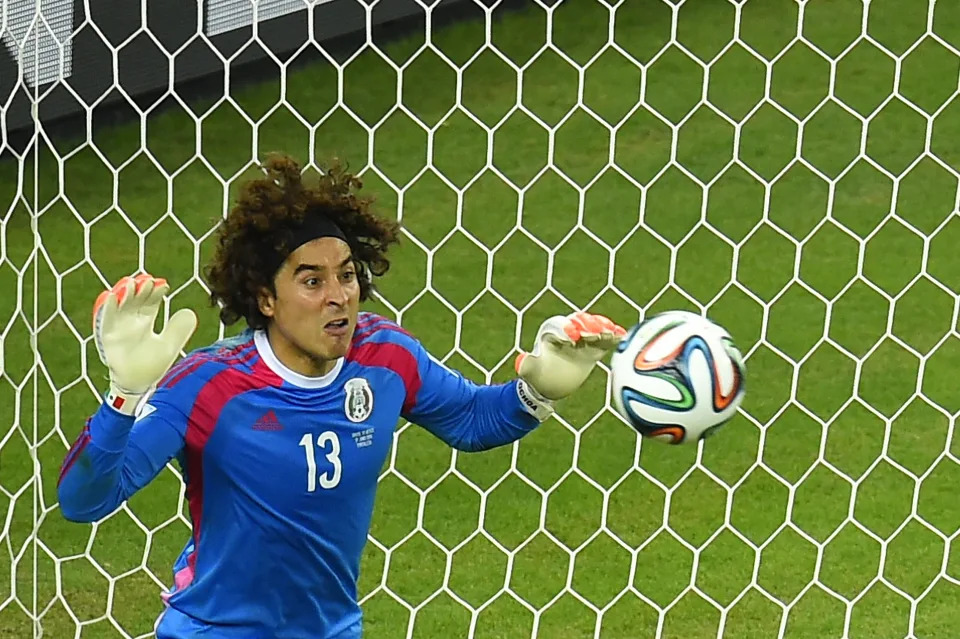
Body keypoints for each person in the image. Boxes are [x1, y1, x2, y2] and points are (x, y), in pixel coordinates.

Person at [57, 152, 626, 639]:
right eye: (312, 281)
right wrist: (124, 397)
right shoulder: (208, 385)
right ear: (266, 299)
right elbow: (85, 502)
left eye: (347, 275)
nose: (339, 298)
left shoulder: (386, 356)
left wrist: (537, 389)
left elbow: (472, 421)